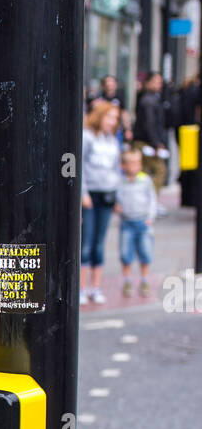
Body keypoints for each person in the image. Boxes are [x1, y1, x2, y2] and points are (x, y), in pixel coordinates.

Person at [80, 100, 122, 304]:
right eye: (110, 117)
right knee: (85, 242)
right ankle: (81, 288)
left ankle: (95, 288)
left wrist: (117, 196)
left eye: (115, 119)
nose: (113, 122)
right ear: (100, 116)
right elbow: (78, 166)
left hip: (107, 194)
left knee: (99, 242)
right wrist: (83, 193)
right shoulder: (87, 137)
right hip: (90, 195)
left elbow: (116, 169)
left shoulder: (112, 140)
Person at [114, 146, 157, 299]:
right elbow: (117, 198)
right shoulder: (120, 181)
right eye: (131, 163)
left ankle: (144, 280)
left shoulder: (145, 180)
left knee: (145, 252)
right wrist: (117, 207)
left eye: (137, 163)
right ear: (123, 166)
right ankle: (127, 280)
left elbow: (152, 199)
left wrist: (150, 217)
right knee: (126, 253)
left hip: (143, 221)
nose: (134, 167)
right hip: (127, 222)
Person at [132, 72, 170, 212]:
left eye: (160, 82)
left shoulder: (151, 98)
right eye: (155, 82)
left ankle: (144, 201)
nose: (158, 85)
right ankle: (150, 201)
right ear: (147, 83)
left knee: (143, 172)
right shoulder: (148, 100)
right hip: (145, 143)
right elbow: (149, 124)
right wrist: (156, 143)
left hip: (144, 142)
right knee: (159, 170)